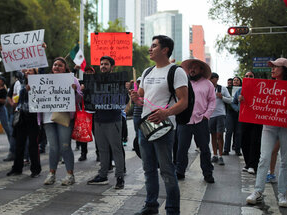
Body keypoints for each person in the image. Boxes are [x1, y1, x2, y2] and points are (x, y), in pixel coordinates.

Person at [130, 35, 187, 215]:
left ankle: (172, 209)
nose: (150, 49)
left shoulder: (175, 72)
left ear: (165, 50)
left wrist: (166, 113)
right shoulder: (147, 72)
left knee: (167, 170)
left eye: (154, 46)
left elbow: (183, 101)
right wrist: (135, 98)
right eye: (151, 45)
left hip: (164, 128)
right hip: (145, 127)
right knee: (148, 169)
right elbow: (141, 99)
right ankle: (151, 205)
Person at [246, 58, 287, 208]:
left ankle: (282, 194)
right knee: (264, 157)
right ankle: (258, 191)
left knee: (286, 160)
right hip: (269, 126)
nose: (272, 69)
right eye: (272, 66)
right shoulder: (266, 87)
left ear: (286, 70)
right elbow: (253, 102)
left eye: (276, 66)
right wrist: (244, 99)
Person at [42, 57, 83, 186]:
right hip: (48, 118)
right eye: (55, 65)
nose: (57, 67)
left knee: (65, 146)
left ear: (65, 68)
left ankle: (70, 175)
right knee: (53, 147)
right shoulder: (44, 80)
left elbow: (80, 98)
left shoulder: (72, 80)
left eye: (60, 65)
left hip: (64, 117)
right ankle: (51, 174)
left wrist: (74, 91)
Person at [87, 56, 126, 189]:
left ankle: (119, 177)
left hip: (113, 120)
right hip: (98, 120)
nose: (103, 66)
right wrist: (84, 87)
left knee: (116, 149)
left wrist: (125, 89)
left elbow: (125, 100)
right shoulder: (94, 80)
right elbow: (88, 99)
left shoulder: (118, 81)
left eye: (106, 64)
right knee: (102, 149)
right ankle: (102, 175)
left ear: (112, 67)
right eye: (101, 64)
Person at [175, 58, 216, 184]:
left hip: (200, 120)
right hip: (184, 121)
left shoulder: (208, 84)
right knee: (182, 148)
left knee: (204, 149)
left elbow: (212, 101)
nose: (192, 69)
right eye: (190, 67)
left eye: (195, 67)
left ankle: (207, 173)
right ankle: (180, 171)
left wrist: (206, 115)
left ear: (201, 70)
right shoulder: (183, 83)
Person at [7, 68, 41, 178]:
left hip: (33, 116)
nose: (27, 72)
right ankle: (17, 168)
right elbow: (17, 98)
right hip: (21, 116)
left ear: (35, 73)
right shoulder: (21, 83)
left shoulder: (41, 82)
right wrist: (25, 90)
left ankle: (35, 169)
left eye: (30, 71)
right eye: (26, 71)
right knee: (19, 143)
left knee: (33, 144)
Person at [232, 72, 263, 174]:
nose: (248, 77)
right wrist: (239, 109)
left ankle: (253, 165)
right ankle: (247, 163)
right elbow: (233, 102)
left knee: (255, 141)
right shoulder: (240, 91)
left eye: (251, 76)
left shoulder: (260, 89)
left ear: (254, 78)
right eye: (246, 76)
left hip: (256, 119)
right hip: (244, 119)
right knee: (244, 141)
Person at [209, 73, 232, 165]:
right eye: (209, 78)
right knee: (213, 135)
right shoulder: (207, 89)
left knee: (219, 135)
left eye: (212, 78)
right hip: (210, 115)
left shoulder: (222, 88)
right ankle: (214, 154)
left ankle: (220, 155)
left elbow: (230, 100)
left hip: (220, 114)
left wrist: (222, 97)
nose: (210, 80)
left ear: (217, 79)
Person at [224, 76, 242, 155]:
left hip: (240, 113)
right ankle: (226, 149)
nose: (235, 81)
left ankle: (237, 149)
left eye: (237, 80)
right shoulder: (228, 89)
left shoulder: (243, 89)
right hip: (230, 112)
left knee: (238, 132)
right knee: (229, 131)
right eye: (234, 80)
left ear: (240, 82)